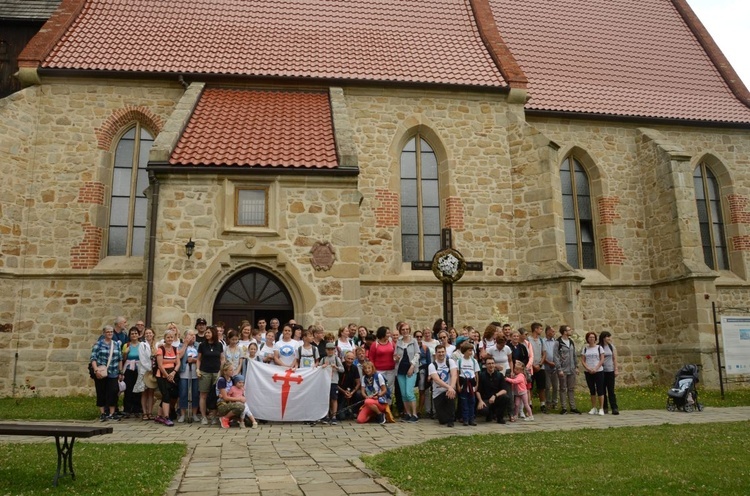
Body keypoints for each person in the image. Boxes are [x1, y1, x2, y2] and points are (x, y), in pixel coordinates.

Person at [90, 325, 123, 421]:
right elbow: (93, 358)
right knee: (101, 391)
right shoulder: (98, 344)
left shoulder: (116, 344)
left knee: (113, 391)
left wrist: (121, 372)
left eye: (111, 332)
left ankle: (112, 413)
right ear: (104, 333)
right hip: (101, 371)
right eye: (108, 332)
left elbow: (120, 359)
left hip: (113, 372)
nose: (110, 333)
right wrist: (96, 370)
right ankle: (103, 412)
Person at [196, 327, 225, 425]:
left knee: (216, 395)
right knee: (203, 394)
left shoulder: (219, 345)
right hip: (205, 372)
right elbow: (199, 359)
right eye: (206, 333)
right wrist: (197, 369)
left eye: (208, 332)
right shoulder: (202, 345)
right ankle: (204, 416)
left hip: (216, 372)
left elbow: (222, 359)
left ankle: (213, 416)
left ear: (213, 333)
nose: (206, 334)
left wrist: (221, 371)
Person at [394, 322, 421, 422]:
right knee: (403, 393)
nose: (405, 331)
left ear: (409, 330)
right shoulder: (399, 341)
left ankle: (414, 414)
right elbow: (395, 355)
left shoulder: (414, 341)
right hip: (400, 369)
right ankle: (408, 413)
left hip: (411, 369)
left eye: (406, 329)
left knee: (409, 392)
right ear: (400, 331)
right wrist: (395, 358)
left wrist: (412, 366)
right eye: (403, 330)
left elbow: (417, 354)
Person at [428, 344, 458, 427]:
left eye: (442, 352)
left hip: (448, 391)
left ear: (445, 352)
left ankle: (451, 420)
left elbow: (454, 375)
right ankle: (447, 417)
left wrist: (451, 388)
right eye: (439, 352)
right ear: (436, 353)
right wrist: (449, 387)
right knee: (442, 420)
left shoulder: (450, 362)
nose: (441, 354)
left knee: (450, 395)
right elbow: (437, 380)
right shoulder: (432, 365)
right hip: (437, 393)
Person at [155, 329, 180, 426]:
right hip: (162, 375)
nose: (170, 339)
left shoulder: (175, 349)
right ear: (165, 338)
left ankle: (159, 415)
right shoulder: (161, 349)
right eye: (168, 337)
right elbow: (160, 365)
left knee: (171, 394)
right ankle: (166, 417)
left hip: (172, 374)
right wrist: (167, 376)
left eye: (171, 337)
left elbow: (178, 363)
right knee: (165, 395)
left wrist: (173, 373)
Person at [555, 325, 581, 414]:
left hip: (572, 369)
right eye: (569, 330)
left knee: (571, 388)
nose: (571, 331)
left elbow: (574, 355)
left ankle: (573, 407)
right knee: (563, 388)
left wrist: (576, 366)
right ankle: (564, 408)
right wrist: (559, 369)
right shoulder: (558, 342)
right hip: (563, 369)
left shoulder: (571, 342)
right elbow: (556, 356)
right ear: (564, 332)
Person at [477, 356, 511, 423]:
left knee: (505, 397)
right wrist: (480, 401)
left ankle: (500, 417)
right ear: (486, 365)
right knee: (482, 410)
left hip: (496, 398)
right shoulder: (481, 376)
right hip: (486, 399)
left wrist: (495, 395)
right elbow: (478, 391)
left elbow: (504, 390)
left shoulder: (500, 375)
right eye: (489, 364)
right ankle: (489, 414)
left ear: (495, 364)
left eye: (492, 363)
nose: (491, 365)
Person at [177, 329, 200, 423]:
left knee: (195, 393)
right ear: (185, 337)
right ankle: (183, 414)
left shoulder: (198, 345)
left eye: (194, 335)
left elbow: (200, 357)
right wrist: (185, 344)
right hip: (184, 371)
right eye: (190, 335)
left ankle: (194, 414)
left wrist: (194, 360)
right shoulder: (180, 345)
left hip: (195, 372)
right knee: (183, 392)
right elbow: (179, 356)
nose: (193, 337)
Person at [456, 340, 480, 426]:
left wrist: (477, 384)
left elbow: (476, 373)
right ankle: (465, 419)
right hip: (463, 383)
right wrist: (458, 385)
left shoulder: (474, 361)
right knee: (464, 402)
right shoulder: (459, 361)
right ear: (465, 351)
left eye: (472, 350)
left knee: (472, 402)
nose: (471, 352)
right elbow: (457, 374)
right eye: (469, 350)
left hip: (471, 383)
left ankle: (471, 419)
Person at [581, 331, 605, 415]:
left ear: (595, 338)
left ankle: (601, 408)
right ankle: (594, 407)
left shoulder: (599, 348)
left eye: (593, 337)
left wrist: (596, 368)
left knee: (600, 389)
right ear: (587, 339)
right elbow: (583, 360)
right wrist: (588, 368)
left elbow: (602, 359)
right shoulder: (585, 348)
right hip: (588, 372)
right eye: (590, 337)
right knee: (592, 389)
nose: (591, 339)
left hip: (598, 371)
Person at [320, 342, 345, 424]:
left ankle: (334, 415)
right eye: (328, 349)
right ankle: (326, 415)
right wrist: (322, 367)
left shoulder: (337, 359)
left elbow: (342, 369)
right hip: (325, 381)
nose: (330, 351)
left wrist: (336, 367)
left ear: (334, 350)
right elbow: (318, 370)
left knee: (334, 398)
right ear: (326, 350)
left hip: (333, 381)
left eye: (332, 349)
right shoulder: (323, 359)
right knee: (326, 398)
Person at [121, 326, 143, 417]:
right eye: (132, 334)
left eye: (135, 333)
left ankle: (137, 409)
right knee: (128, 389)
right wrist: (125, 353)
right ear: (130, 335)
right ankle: (127, 409)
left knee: (138, 389)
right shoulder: (126, 345)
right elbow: (123, 359)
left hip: (139, 368)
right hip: (129, 369)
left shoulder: (142, 345)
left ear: (138, 335)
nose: (134, 335)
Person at [135, 327, 157, 420]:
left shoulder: (156, 345)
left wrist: (154, 369)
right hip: (145, 371)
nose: (148, 335)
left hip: (153, 372)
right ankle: (144, 412)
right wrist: (150, 368)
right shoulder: (142, 345)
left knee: (151, 392)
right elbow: (142, 359)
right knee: (144, 392)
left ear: (153, 334)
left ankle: (150, 412)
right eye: (146, 333)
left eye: (150, 333)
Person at [216, 362, 244, 429]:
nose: (232, 372)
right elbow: (225, 398)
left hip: (231, 402)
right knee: (240, 407)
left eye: (233, 370)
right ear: (225, 372)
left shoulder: (231, 379)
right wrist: (239, 399)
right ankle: (225, 418)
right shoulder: (221, 380)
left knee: (248, 421)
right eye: (230, 370)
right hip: (222, 404)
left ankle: (233, 418)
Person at [528, 322, 547, 413]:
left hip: (540, 367)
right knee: (530, 387)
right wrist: (532, 365)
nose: (541, 330)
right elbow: (527, 354)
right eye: (540, 329)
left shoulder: (541, 340)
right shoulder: (528, 340)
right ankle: (529, 404)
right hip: (531, 367)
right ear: (535, 329)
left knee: (541, 387)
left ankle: (542, 404)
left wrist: (540, 364)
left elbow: (544, 353)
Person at [370, 326, 396, 392]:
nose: (389, 335)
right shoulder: (375, 344)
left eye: (389, 333)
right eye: (387, 333)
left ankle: (388, 402)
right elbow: (371, 358)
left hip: (391, 370)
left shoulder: (391, 343)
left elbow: (396, 353)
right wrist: (374, 369)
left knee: (389, 388)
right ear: (382, 333)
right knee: (380, 387)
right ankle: (380, 402)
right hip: (379, 370)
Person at [337, 351, 362, 420]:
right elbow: (335, 383)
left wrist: (352, 392)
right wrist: (343, 392)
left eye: (352, 359)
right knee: (341, 417)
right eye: (348, 358)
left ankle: (355, 411)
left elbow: (358, 383)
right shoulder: (340, 367)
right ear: (344, 358)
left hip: (351, 391)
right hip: (340, 392)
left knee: (359, 394)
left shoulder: (354, 368)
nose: (350, 361)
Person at [599, 331, 620, 415]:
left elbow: (614, 359)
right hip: (601, 371)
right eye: (608, 337)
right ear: (604, 337)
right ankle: (604, 407)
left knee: (611, 390)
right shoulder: (599, 347)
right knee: (602, 390)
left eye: (610, 337)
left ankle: (614, 407)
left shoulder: (611, 347)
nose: (609, 339)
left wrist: (616, 369)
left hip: (610, 370)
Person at [543, 325, 559, 410]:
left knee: (556, 386)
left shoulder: (556, 342)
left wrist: (556, 363)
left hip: (555, 367)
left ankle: (555, 402)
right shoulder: (543, 341)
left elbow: (558, 353)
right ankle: (548, 402)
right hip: (546, 366)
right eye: (552, 331)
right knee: (547, 386)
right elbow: (543, 354)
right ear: (548, 332)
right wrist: (548, 362)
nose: (554, 333)